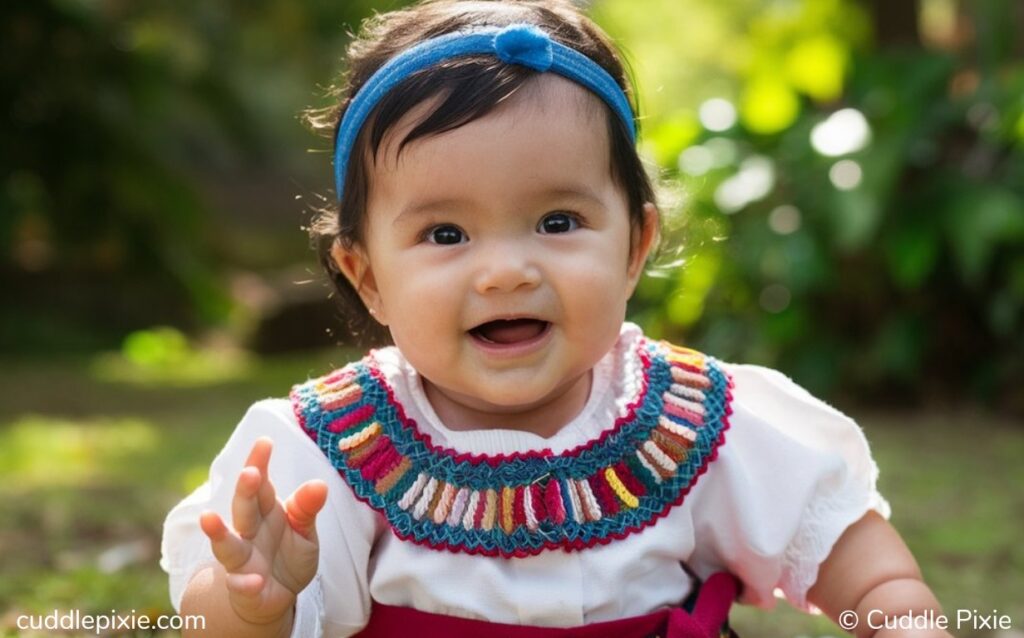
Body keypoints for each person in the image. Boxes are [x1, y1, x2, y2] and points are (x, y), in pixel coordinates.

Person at [160, 1, 953, 636]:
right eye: (446, 234)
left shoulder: (705, 424)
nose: (508, 269)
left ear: (635, 244)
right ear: (366, 278)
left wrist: (898, 616)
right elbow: (238, 618)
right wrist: (253, 609)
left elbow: (852, 556)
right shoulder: (324, 456)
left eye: (558, 221)